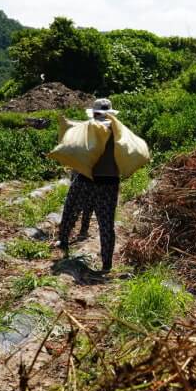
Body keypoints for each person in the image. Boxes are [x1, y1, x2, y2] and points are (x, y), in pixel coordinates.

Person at [58, 98, 121, 271]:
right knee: (106, 223)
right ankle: (107, 263)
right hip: (110, 181)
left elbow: (76, 147)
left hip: (88, 179)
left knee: (71, 208)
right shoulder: (117, 130)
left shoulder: (88, 128)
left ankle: (63, 241)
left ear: (94, 113)